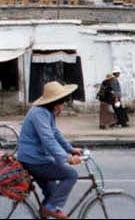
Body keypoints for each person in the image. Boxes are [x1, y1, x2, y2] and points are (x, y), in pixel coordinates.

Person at [17, 81, 83, 219]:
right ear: (55, 103)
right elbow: (48, 140)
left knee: (52, 194)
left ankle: (47, 210)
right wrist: (67, 158)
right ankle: (51, 208)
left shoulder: (48, 112)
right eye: (62, 102)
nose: (63, 106)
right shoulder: (39, 114)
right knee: (70, 175)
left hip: (38, 158)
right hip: (33, 160)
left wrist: (70, 149)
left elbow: (55, 133)